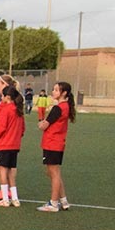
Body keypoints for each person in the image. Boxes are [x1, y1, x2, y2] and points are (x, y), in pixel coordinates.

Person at [37, 82, 76, 212]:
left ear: (63, 93)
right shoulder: (65, 107)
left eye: (56, 90)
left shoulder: (58, 108)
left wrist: (41, 124)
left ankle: (53, 203)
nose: (53, 92)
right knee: (53, 172)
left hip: (52, 142)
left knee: (53, 173)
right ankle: (63, 200)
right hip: (57, 142)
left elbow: (45, 125)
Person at [0, 85, 26, 207]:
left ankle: (5, 199)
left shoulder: (7, 109)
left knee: (3, 170)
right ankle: (15, 198)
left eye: (2, 96)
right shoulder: (19, 110)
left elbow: (1, 127)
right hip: (15, 145)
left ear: (7, 97)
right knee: (12, 171)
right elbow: (22, 129)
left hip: (4, 144)